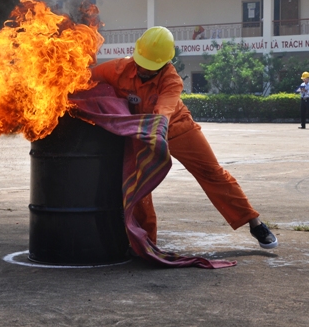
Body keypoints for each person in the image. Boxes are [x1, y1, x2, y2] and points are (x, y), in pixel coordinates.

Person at [91, 26, 278, 249]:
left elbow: (164, 111)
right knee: (137, 187)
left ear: (164, 63)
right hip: (140, 134)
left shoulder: (172, 80)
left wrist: (157, 132)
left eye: (150, 67)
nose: (143, 70)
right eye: (141, 63)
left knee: (212, 173)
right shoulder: (118, 68)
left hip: (177, 128)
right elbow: (86, 78)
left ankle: (254, 223)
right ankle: (145, 243)